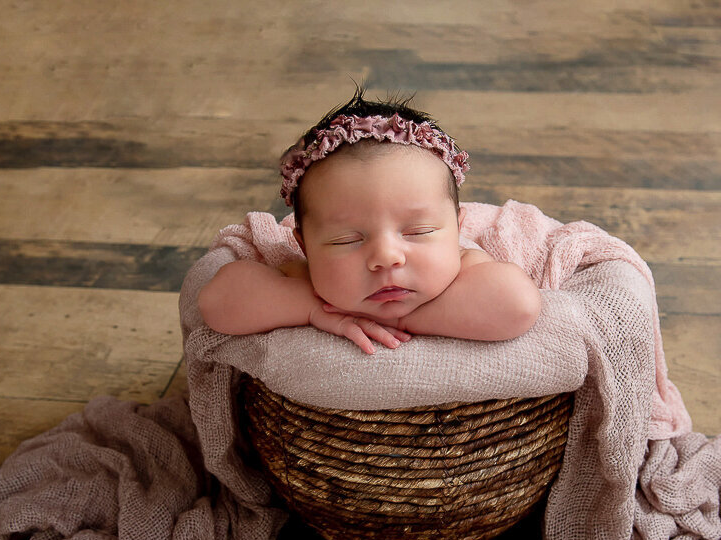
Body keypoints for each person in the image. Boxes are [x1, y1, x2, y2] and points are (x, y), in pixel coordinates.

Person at [198, 89, 542, 354]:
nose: (387, 257)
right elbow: (217, 302)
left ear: (457, 229)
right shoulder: (304, 278)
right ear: (304, 245)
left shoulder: (467, 268)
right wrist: (311, 309)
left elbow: (518, 304)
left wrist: (396, 318)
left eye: (418, 231)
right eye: (346, 240)